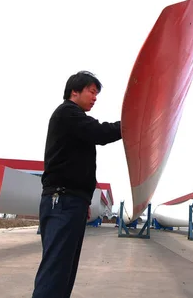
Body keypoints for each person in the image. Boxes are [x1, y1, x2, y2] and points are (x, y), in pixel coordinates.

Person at [32, 71, 122, 298]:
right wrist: (132, 122)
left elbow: (77, 162)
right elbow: (100, 132)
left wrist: (83, 199)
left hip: (71, 202)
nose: (95, 98)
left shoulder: (73, 119)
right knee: (56, 272)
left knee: (64, 272)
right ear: (75, 91)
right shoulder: (68, 113)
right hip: (62, 202)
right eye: (92, 92)